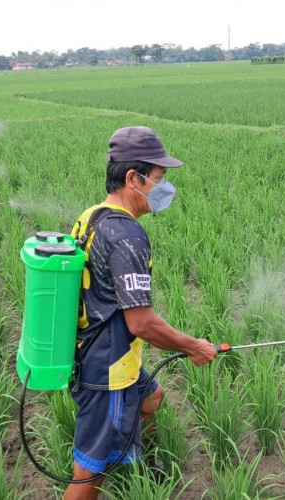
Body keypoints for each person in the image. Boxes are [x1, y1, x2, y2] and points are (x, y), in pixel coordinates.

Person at [66, 126, 218, 499]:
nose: (164, 188)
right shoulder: (128, 237)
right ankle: (117, 463)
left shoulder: (92, 216)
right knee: (89, 471)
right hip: (107, 367)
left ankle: (139, 469)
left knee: (152, 398)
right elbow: (142, 322)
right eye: (159, 178)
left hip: (96, 350)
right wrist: (193, 346)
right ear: (133, 178)